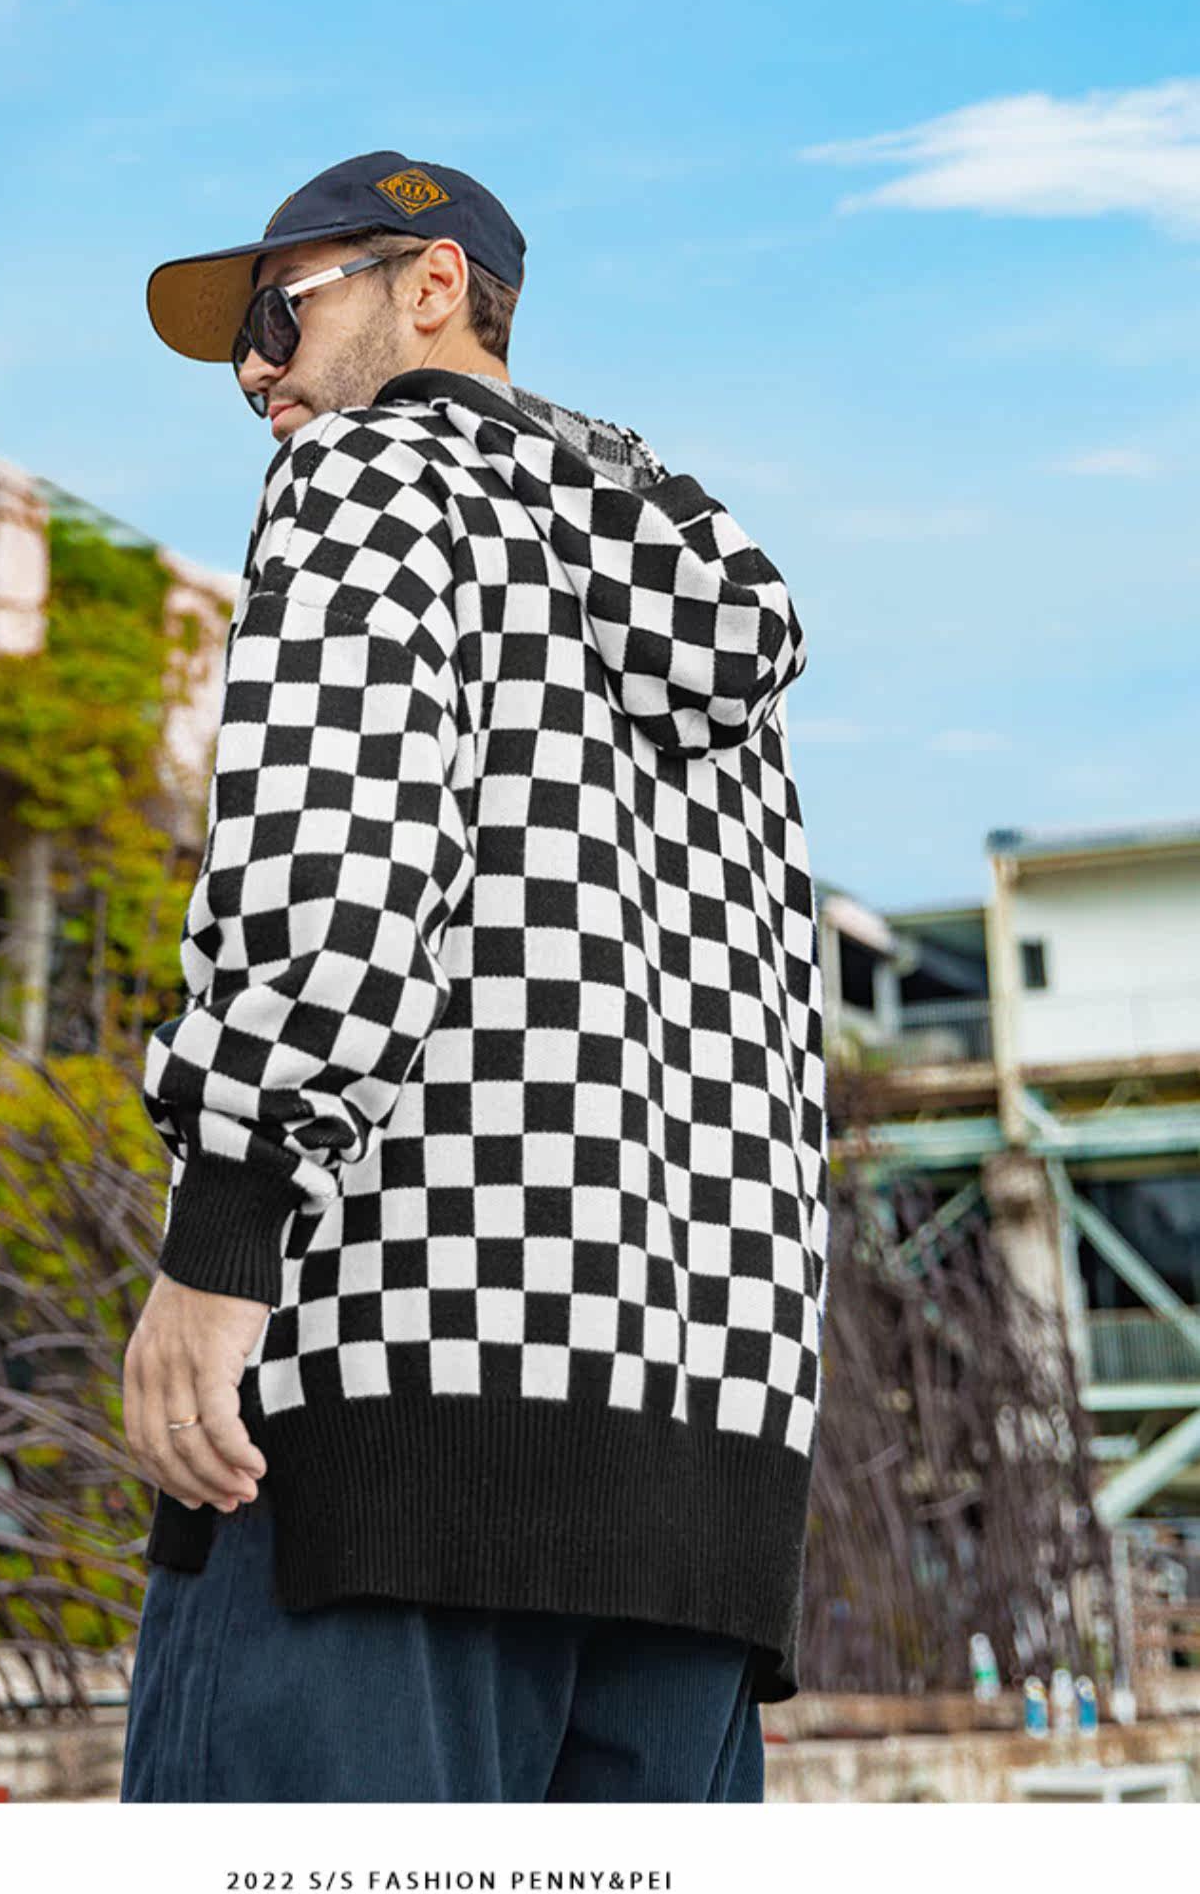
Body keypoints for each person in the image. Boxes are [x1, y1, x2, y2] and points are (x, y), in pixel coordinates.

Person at [119, 150, 829, 1803]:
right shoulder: (693, 611)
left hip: (393, 1421)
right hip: (703, 1485)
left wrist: (223, 1233)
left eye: (281, 319)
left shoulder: (369, 475)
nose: (259, 376)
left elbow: (334, 865)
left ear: (431, 288)